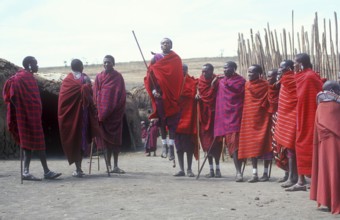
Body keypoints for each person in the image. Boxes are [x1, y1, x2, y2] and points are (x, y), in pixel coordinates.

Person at [2, 56, 61, 180]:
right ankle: (41, 171)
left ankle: (29, 171)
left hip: (32, 116)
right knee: (34, 144)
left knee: (29, 144)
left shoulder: (29, 78)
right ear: (29, 65)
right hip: (24, 116)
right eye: (35, 64)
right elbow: (12, 96)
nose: (37, 66)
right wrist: (20, 109)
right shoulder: (19, 79)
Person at [285, 53, 323, 191]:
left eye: (295, 63)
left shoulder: (309, 77)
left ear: (301, 64)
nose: (293, 65)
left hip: (310, 117)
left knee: (308, 147)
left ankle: (315, 182)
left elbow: (313, 99)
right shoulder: (302, 76)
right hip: (302, 116)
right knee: (300, 145)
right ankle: (301, 182)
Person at [144, 38, 183, 163]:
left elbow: (178, 77)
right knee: (161, 121)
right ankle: (164, 146)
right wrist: (154, 91)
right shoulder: (155, 59)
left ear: (171, 45)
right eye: (163, 43)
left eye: (167, 43)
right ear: (160, 46)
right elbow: (150, 75)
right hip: (159, 94)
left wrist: (172, 92)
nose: (165, 44)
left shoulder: (176, 58)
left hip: (171, 95)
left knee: (172, 122)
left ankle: (171, 147)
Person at [58, 59, 99, 177]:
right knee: (81, 140)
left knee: (74, 140)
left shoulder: (66, 81)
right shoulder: (85, 79)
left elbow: (62, 102)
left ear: (71, 67)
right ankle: (79, 169)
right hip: (83, 117)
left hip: (70, 118)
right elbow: (90, 98)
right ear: (81, 67)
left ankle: (78, 168)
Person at [238, 64, 272, 183]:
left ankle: (266, 173)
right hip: (250, 119)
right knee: (252, 146)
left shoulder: (266, 85)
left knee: (267, 145)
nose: (249, 74)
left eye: (252, 72)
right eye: (248, 72)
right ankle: (254, 174)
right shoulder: (247, 85)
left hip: (264, 119)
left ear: (259, 74)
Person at [310, 80, 340, 214]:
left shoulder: (320, 105)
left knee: (327, 171)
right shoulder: (335, 105)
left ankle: (328, 201)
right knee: (335, 171)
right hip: (336, 144)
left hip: (324, 145)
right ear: (333, 91)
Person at [93, 55, 126, 174]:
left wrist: (117, 109)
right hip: (103, 115)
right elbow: (96, 94)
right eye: (105, 62)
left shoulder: (118, 77)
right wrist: (99, 111)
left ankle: (115, 166)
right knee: (106, 143)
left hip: (115, 115)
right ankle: (108, 165)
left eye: (109, 62)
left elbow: (121, 95)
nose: (106, 64)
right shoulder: (99, 77)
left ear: (113, 64)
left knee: (116, 142)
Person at [213, 61, 246, 182]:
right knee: (231, 146)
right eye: (224, 68)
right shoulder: (221, 82)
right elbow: (219, 100)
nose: (225, 70)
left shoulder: (240, 81)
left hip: (237, 118)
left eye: (227, 68)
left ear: (234, 69)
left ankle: (238, 173)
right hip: (225, 120)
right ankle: (238, 171)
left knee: (236, 146)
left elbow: (241, 97)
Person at [274, 60, 298, 188]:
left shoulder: (294, 80)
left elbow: (297, 98)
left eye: (282, 68)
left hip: (293, 118)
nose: (280, 70)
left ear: (289, 68)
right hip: (284, 118)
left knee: (292, 148)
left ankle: (293, 177)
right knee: (288, 149)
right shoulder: (283, 81)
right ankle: (291, 176)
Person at [197, 63, 223, 178]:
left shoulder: (217, 81)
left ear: (212, 71)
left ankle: (218, 169)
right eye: (202, 71)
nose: (204, 73)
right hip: (203, 117)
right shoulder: (200, 82)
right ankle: (211, 170)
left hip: (215, 117)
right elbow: (197, 94)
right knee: (206, 145)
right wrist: (196, 96)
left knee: (216, 144)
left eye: (206, 71)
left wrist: (213, 86)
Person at [174, 64, 198, 177]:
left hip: (189, 118)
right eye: (180, 70)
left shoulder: (192, 82)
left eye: (184, 70)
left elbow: (198, 89)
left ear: (187, 70)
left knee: (189, 147)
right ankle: (181, 169)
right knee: (178, 148)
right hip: (176, 118)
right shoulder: (173, 83)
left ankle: (189, 169)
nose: (182, 71)